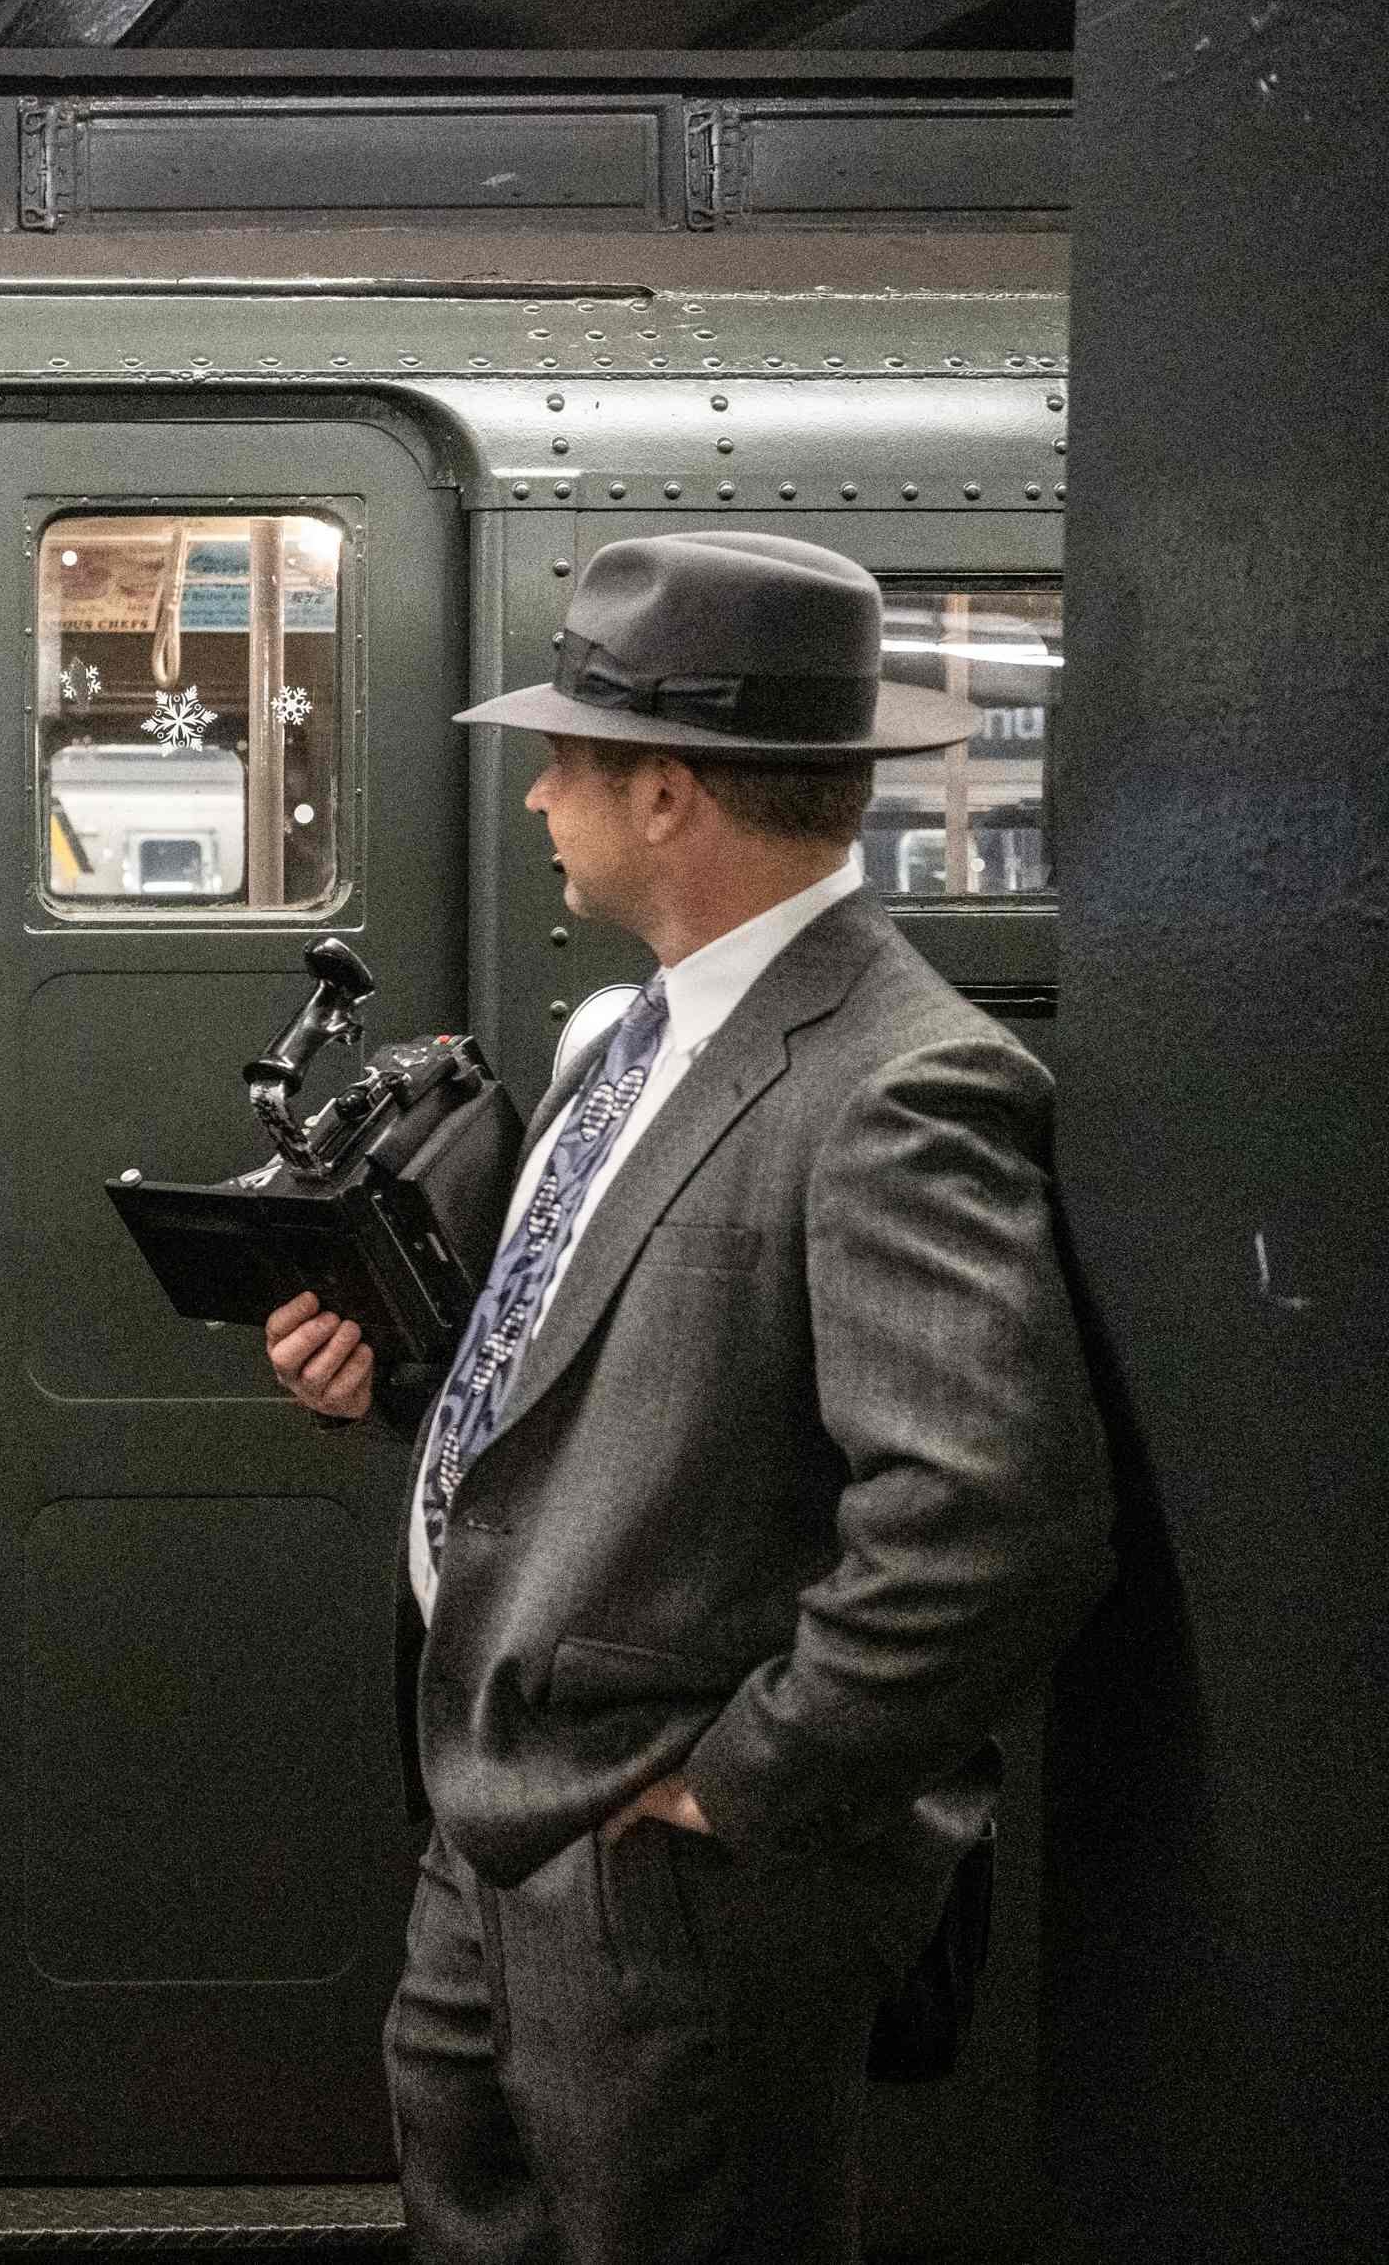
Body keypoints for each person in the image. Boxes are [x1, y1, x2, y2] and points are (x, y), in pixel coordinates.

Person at [260, 531, 1114, 2265]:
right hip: (486, 1817)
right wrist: (400, 1376)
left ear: (664, 797)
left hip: (672, 1875)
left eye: (561, 762)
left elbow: (991, 1517)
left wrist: (741, 1784)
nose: (535, 803)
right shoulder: (617, 1037)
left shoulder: (900, 1079)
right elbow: (598, 1365)